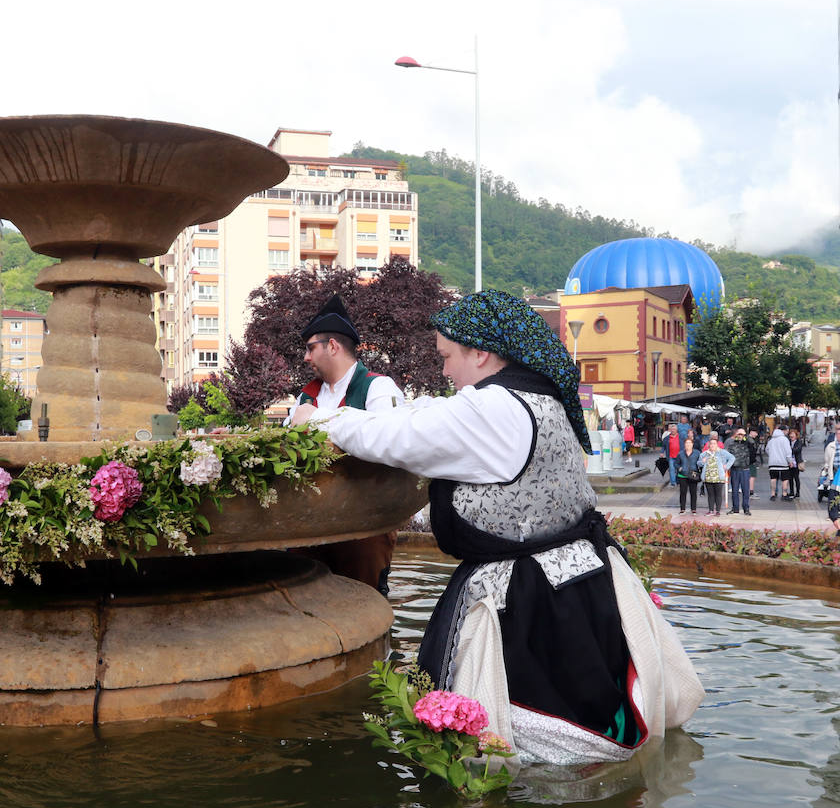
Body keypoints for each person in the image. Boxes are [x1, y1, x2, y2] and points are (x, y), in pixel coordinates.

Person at [293, 290, 703, 765]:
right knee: (585, 710)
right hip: (579, 579)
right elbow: (438, 429)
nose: (445, 371)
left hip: (526, 596)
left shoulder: (493, 408)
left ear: (481, 352)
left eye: (448, 356)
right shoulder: (539, 398)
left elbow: (389, 435)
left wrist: (317, 418)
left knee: (510, 741)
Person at [288, 294, 404, 592]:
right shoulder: (304, 396)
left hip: (364, 526)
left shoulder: (378, 387)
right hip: (309, 523)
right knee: (304, 601)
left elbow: (387, 441)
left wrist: (315, 419)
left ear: (333, 346)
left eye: (310, 348)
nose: (305, 357)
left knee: (366, 605)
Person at [700, 438, 734, 516]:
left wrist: (726, 466)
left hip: (719, 477)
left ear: (717, 444)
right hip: (708, 477)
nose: (712, 445)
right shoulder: (705, 454)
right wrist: (702, 461)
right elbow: (699, 463)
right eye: (711, 443)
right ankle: (711, 510)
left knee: (718, 494)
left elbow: (732, 458)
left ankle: (718, 510)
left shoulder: (722, 452)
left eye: (714, 443)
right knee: (710, 495)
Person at [725, 428, 752, 515]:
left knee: (745, 490)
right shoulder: (732, 444)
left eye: (742, 434)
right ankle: (735, 508)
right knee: (735, 490)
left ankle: (746, 508)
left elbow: (753, 444)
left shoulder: (747, 443)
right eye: (739, 434)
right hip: (735, 469)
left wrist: (746, 435)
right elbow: (727, 455)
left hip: (745, 469)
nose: (740, 436)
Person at [821, 425, 840, 501]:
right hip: (835, 474)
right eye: (838, 434)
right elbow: (827, 460)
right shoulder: (830, 446)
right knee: (834, 495)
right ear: (836, 435)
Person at [766, 427, 794, 501]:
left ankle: (773, 494)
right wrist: (790, 461)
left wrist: (772, 456)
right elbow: (788, 452)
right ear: (783, 431)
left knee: (773, 479)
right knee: (785, 479)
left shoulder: (771, 440)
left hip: (772, 463)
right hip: (783, 463)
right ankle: (784, 495)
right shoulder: (784, 440)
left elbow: (767, 449)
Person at [677, 436, 702, 514]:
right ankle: (682, 508)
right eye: (686, 443)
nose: (688, 445)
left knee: (693, 492)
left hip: (693, 475)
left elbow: (700, 463)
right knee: (683, 492)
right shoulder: (680, 453)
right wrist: (679, 468)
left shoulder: (697, 453)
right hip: (683, 475)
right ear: (684, 444)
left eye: (689, 443)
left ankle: (693, 509)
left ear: (692, 444)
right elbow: (676, 463)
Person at [787, 428, 804, 499]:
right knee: (790, 478)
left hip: (796, 462)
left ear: (796, 435)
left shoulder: (799, 442)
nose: (791, 435)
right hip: (789, 462)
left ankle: (797, 493)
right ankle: (791, 492)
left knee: (796, 478)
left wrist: (790, 450)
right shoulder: (788, 442)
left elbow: (798, 450)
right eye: (790, 434)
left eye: (793, 434)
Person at [746, 428, 761, 495]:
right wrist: (754, 460)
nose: (756, 434)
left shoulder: (746, 439)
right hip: (751, 461)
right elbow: (752, 452)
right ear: (751, 432)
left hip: (746, 461)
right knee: (752, 476)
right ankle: (751, 492)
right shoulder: (751, 441)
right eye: (755, 432)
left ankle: (748, 491)